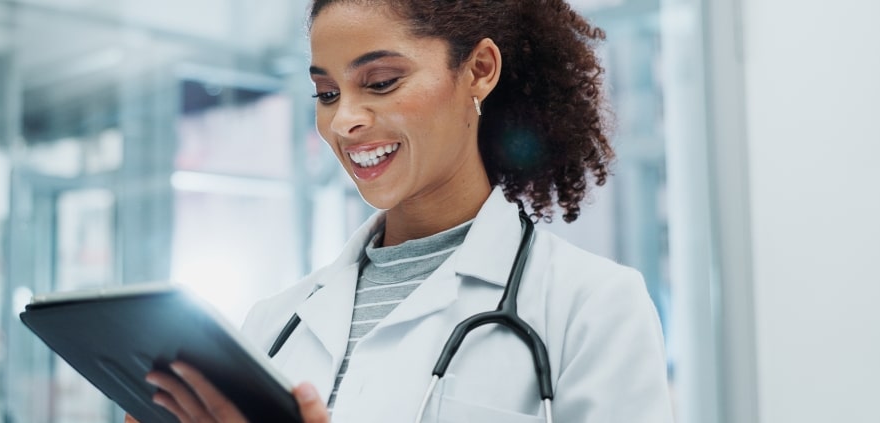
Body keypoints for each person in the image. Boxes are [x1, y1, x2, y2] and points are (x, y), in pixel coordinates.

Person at [132, 0, 673, 422]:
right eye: (325, 93)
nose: (344, 121)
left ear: (480, 71)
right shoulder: (276, 322)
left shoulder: (592, 307)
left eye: (381, 83)